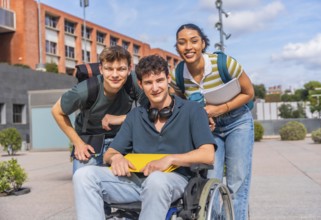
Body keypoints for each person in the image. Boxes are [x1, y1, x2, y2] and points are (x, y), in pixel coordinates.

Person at [72, 55, 216, 220]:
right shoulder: (135, 116)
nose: (155, 88)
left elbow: (208, 154)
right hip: (135, 182)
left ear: (168, 79)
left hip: (176, 180)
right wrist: (117, 158)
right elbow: (109, 153)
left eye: (159, 80)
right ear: (140, 84)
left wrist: (170, 159)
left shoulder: (192, 110)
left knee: (156, 180)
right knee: (84, 175)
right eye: (148, 83)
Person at [170, 23, 255, 220]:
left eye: (194, 41)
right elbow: (182, 106)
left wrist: (220, 109)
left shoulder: (224, 64)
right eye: (182, 43)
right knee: (210, 184)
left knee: (237, 182)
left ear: (203, 44)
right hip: (210, 130)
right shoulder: (178, 74)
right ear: (177, 47)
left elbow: (249, 93)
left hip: (238, 122)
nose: (188, 47)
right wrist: (200, 118)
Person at [52, 45, 144, 174]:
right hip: (90, 142)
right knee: (82, 178)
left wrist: (121, 118)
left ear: (129, 69)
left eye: (121, 69)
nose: (115, 75)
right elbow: (57, 111)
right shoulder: (85, 90)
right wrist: (77, 142)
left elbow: (151, 110)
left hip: (121, 140)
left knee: (129, 184)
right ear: (101, 69)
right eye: (109, 69)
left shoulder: (134, 83)